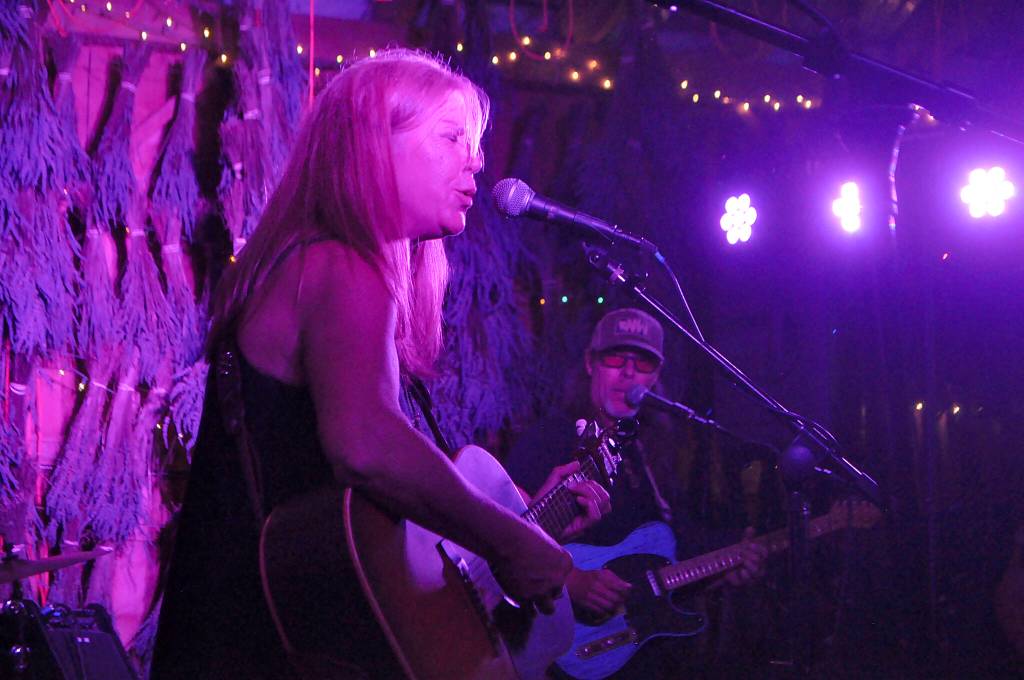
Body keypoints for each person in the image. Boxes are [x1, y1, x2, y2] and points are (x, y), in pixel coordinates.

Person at [150, 49, 608, 680]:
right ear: (371, 145)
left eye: (474, 144)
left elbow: (364, 512)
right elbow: (364, 445)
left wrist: (526, 513)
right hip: (269, 644)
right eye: (450, 137)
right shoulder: (339, 265)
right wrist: (506, 540)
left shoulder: (317, 263)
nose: (474, 161)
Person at [506, 307, 767, 679]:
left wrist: (722, 569)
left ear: (656, 376)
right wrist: (570, 581)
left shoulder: (652, 455)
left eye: (643, 363)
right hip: (560, 656)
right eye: (615, 357)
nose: (628, 372)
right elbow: (505, 537)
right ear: (590, 364)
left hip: (637, 658)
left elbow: (666, 557)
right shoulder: (550, 440)